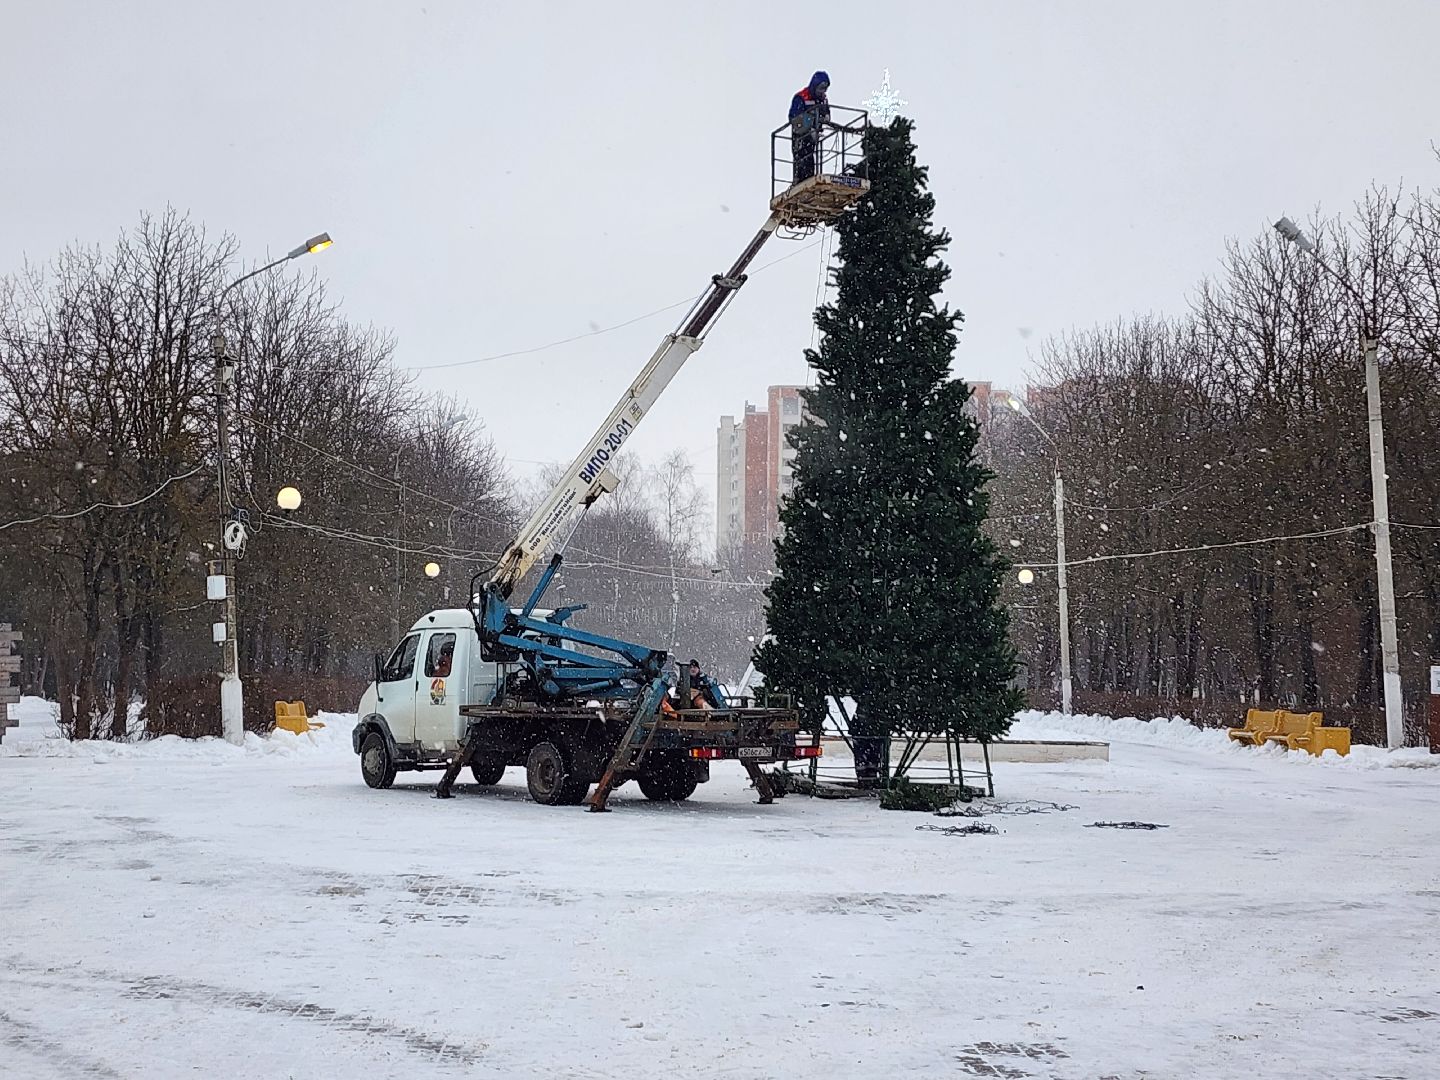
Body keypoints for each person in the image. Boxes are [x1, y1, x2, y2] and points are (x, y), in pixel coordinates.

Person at [788, 70, 831, 183]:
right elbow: (794, 118)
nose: (822, 91)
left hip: (813, 136)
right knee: (801, 158)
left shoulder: (823, 99)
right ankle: (799, 180)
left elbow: (826, 112)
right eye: (821, 88)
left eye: (825, 89)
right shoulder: (801, 97)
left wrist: (826, 117)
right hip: (800, 136)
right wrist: (808, 128)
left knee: (810, 160)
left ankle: (808, 178)